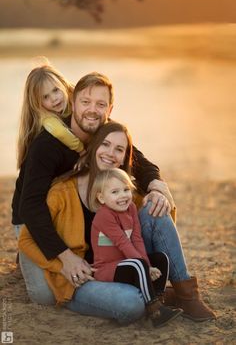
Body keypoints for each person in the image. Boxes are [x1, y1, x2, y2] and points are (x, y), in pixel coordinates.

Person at [18, 121, 215, 324]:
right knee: (131, 304)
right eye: (105, 144)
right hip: (82, 279)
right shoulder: (62, 193)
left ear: (124, 158)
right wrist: (64, 264)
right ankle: (158, 296)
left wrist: (158, 193)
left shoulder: (126, 194)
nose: (111, 153)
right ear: (93, 148)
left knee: (154, 207)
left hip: (123, 267)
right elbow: (26, 240)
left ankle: (187, 295)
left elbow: (161, 229)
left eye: (119, 149)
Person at [12, 67, 172, 287]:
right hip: (31, 215)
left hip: (68, 208)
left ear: (67, 92)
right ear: (39, 103)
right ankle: (29, 257)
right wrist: (62, 254)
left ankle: (165, 281)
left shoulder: (95, 120)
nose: (54, 100)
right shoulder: (47, 142)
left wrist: (155, 183)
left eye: (56, 91)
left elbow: (136, 159)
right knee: (45, 294)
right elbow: (30, 206)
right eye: (45, 98)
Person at [90, 168, 183, 327]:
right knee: (138, 263)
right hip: (106, 268)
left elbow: (136, 239)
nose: (123, 196)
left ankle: (159, 301)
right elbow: (123, 243)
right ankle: (154, 310)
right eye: (115, 192)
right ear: (101, 197)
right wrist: (145, 266)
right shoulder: (103, 216)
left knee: (160, 258)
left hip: (128, 262)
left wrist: (148, 264)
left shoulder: (132, 208)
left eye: (126, 189)